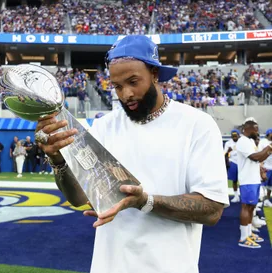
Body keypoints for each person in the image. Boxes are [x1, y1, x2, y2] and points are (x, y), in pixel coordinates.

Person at [34, 35, 229, 273]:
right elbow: (78, 198)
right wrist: (58, 160)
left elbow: (212, 210)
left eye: (133, 81)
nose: (126, 94)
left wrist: (144, 201)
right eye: (117, 86)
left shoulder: (197, 124)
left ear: (155, 73)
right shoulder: (105, 126)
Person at [236, 120, 272, 248]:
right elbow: (256, 157)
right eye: (255, 129)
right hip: (247, 180)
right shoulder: (243, 141)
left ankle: (249, 233)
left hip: (253, 179)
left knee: (251, 207)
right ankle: (243, 238)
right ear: (248, 129)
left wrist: (261, 171)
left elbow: (258, 160)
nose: (257, 132)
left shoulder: (250, 141)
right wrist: (270, 148)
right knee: (246, 207)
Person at [224, 129, 241, 202]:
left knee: (243, 181)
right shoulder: (228, 143)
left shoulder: (242, 142)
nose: (234, 137)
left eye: (236, 135)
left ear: (238, 135)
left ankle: (243, 196)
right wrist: (228, 151)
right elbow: (225, 154)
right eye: (233, 136)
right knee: (234, 180)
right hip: (233, 162)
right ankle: (236, 196)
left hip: (242, 163)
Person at [259, 129, 272, 207]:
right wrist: (261, 165)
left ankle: (267, 200)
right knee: (262, 185)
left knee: (270, 186)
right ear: (268, 134)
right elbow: (260, 153)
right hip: (265, 167)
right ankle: (260, 201)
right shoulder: (263, 141)